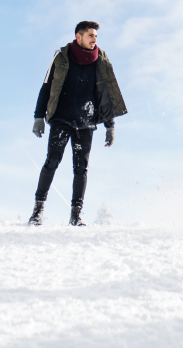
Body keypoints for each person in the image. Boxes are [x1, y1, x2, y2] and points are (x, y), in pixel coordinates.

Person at [28, 20, 128, 227]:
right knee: (52, 162)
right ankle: (37, 211)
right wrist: (39, 116)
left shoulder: (100, 61)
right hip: (61, 119)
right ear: (79, 36)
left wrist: (110, 126)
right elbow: (46, 87)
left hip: (86, 121)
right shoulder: (61, 57)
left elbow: (106, 95)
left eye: (96, 36)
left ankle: (76, 215)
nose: (94, 40)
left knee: (81, 169)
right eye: (91, 35)